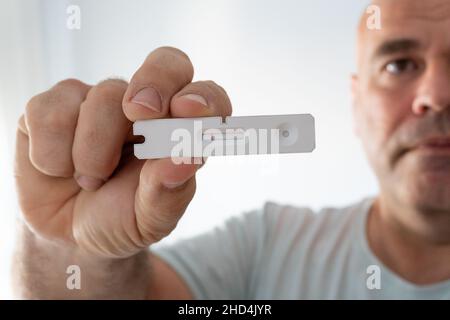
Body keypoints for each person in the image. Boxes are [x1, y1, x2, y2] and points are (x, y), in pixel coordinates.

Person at [12, 0, 450, 299]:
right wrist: (72, 245)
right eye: (398, 65)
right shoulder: (268, 245)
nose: (437, 94)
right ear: (356, 104)